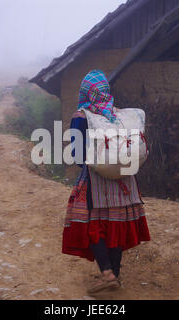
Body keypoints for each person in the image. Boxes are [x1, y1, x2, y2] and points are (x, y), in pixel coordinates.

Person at [61, 69, 151, 294]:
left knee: (94, 225)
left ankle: (107, 274)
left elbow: (77, 155)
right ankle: (115, 275)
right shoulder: (120, 115)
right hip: (125, 182)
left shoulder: (82, 117)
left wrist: (100, 163)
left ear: (86, 93)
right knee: (116, 225)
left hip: (95, 182)